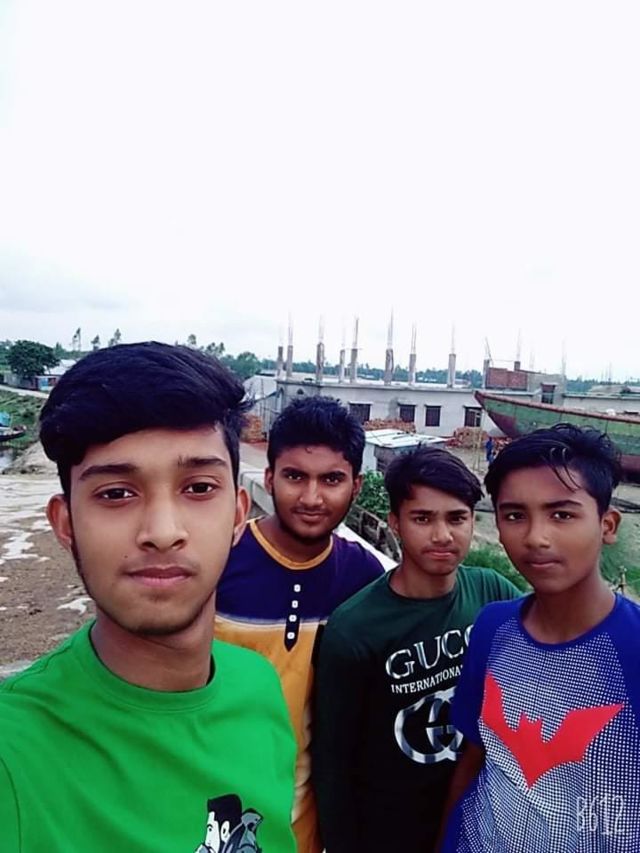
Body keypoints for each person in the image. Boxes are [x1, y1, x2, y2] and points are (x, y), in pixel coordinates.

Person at [0, 342, 296, 853]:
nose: (162, 532)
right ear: (66, 524)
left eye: (198, 488)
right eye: (116, 493)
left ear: (237, 514)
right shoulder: (15, 756)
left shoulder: (260, 690)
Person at [442, 424, 640, 852]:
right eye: (515, 516)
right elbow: (475, 756)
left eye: (562, 514)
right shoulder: (493, 629)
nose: (535, 537)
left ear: (607, 524)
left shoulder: (633, 648)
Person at [312, 446, 521, 852]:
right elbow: (333, 762)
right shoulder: (356, 628)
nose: (442, 536)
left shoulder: (491, 592)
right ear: (395, 521)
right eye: (423, 518)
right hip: (390, 831)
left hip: (479, 821)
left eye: (456, 518)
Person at [216, 396, 384, 852]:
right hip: (215, 812)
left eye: (331, 479)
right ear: (269, 478)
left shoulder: (364, 578)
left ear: (356, 485)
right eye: (295, 477)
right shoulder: (218, 563)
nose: (312, 498)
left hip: (307, 820)